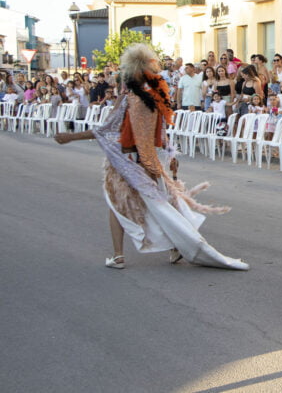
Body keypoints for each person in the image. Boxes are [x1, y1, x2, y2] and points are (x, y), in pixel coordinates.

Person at [54, 43, 248, 271]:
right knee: (161, 203)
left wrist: (71, 136)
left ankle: (118, 256)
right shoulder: (155, 97)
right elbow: (162, 131)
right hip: (150, 160)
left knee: (118, 205)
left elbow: (106, 128)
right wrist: (170, 155)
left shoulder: (129, 98)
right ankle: (176, 246)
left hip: (125, 162)